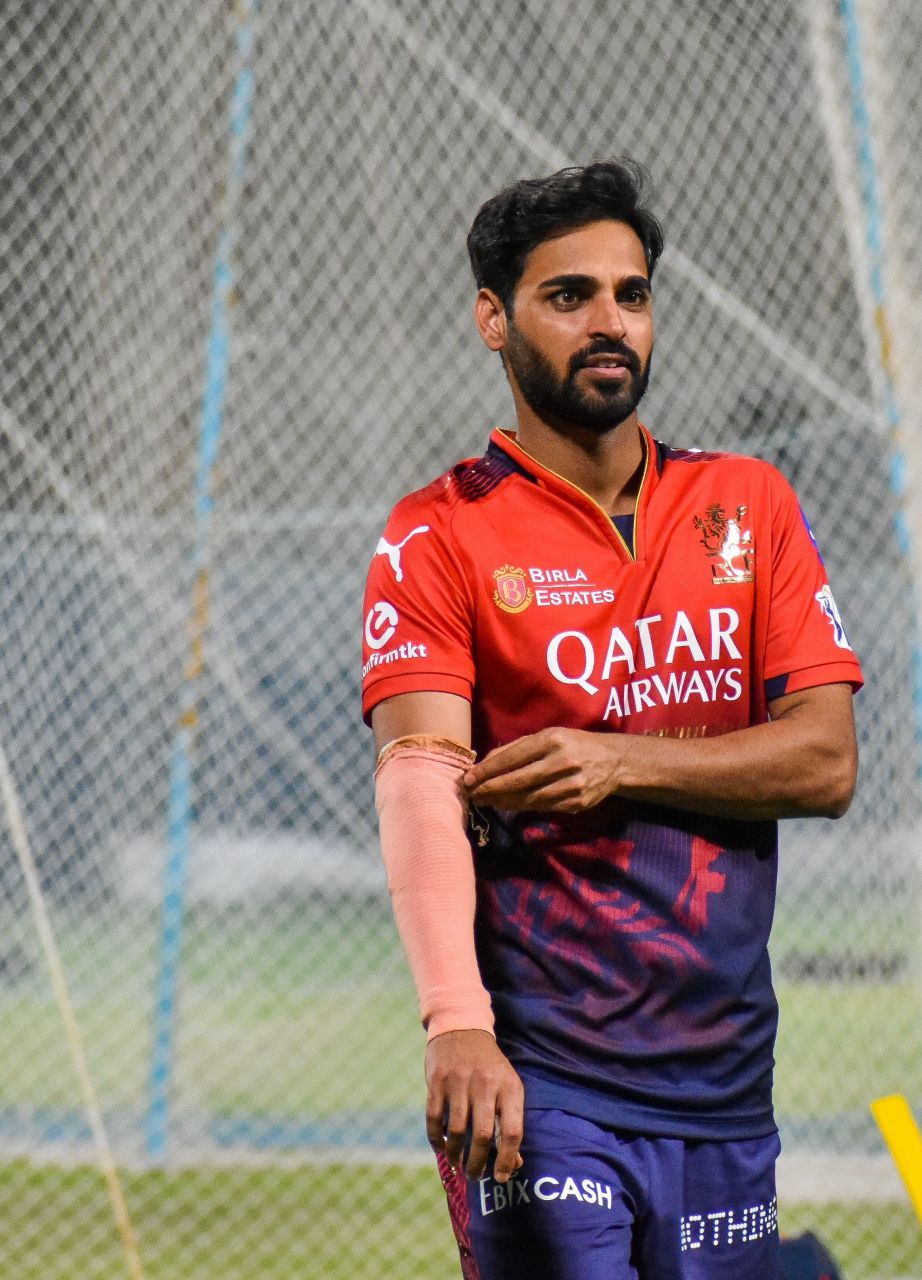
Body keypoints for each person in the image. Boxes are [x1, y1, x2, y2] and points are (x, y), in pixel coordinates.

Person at [361, 159, 863, 1279]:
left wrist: (613, 761)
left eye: (631, 295)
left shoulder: (749, 503)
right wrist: (457, 1023)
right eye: (568, 294)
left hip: (724, 1078)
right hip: (543, 1079)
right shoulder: (435, 534)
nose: (609, 322)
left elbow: (826, 760)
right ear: (494, 317)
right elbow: (418, 776)